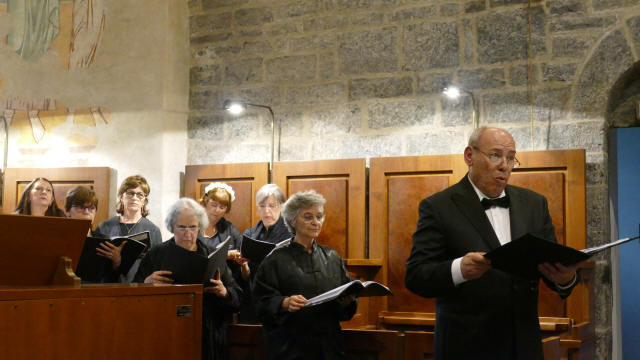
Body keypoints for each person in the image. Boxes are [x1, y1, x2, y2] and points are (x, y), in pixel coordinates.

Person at [405, 127, 580, 360]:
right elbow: (416, 276)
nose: (504, 166)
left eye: (510, 158)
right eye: (495, 155)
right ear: (469, 156)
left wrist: (565, 279)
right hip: (467, 346)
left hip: (524, 345)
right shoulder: (438, 207)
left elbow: (549, 265)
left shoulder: (534, 204)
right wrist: (459, 269)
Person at [252, 190, 357, 360]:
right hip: (291, 349)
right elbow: (260, 302)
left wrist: (347, 302)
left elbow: (343, 305)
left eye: (319, 216)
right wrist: (284, 303)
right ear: (293, 221)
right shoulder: (275, 260)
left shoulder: (332, 257)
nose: (316, 222)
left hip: (329, 348)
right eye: (308, 217)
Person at [134, 197, 242, 360]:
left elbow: (238, 298)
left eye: (193, 227)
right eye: (182, 227)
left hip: (207, 334)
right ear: (171, 227)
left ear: (200, 227)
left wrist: (224, 292)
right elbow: (133, 296)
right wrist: (146, 284)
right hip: (167, 332)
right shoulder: (156, 254)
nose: (188, 233)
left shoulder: (211, 254)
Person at [239, 184, 292, 324]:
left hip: (279, 299)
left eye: (272, 205)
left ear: (281, 206)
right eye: (262, 206)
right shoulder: (250, 234)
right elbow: (246, 277)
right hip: (253, 299)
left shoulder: (291, 234)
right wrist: (244, 266)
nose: (267, 211)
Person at [96, 175, 162, 282]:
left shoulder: (153, 230)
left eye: (140, 194)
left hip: (140, 288)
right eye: (130, 193)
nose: (135, 197)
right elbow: (96, 265)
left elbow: (157, 266)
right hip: (109, 286)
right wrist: (115, 262)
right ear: (122, 197)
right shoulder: (104, 227)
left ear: (144, 201)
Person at [198, 182, 246, 281]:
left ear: (226, 210)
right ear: (205, 203)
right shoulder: (193, 226)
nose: (217, 210)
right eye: (214, 205)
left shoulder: (230, 229)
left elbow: (241, 254)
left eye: (222, 207)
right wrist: (226, 255)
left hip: (225, 285)